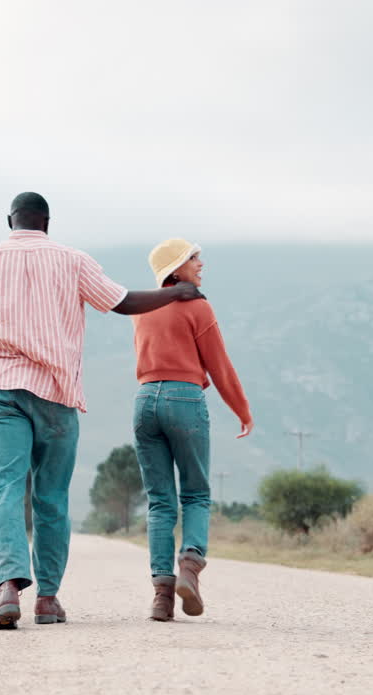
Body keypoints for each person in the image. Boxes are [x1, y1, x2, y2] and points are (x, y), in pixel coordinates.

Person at [0, 192, 202, 630]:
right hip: (57, 394)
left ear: (11, 220)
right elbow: (122, 302)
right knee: (51, 498)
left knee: (5, 490)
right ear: (48, 222)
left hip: (3, 392)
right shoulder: (73, 260)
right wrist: (176, 291)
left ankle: (7, 587)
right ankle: (47, 599)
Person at [131, 238, 253, 621]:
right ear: (176, 268)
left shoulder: (143, 308)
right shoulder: (198, 307)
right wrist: (242, 411)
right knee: (196, 493)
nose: (201, 263)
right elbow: (219, 366)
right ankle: (190, 565)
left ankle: (162, 597)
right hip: (184, 397)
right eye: (193, 258)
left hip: (145, 398)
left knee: (160, 501)